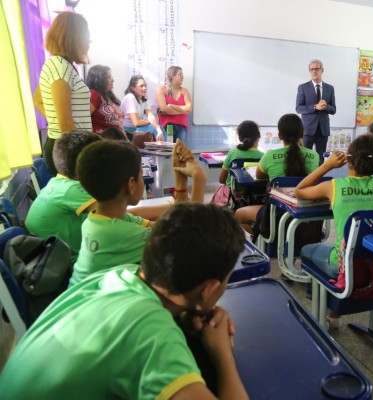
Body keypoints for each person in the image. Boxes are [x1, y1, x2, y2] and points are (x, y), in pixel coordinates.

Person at [0, 204, 249, 400]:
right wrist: (222, 353)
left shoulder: (118, 274)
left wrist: (185, 316)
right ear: (208, 290)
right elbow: (144, 334)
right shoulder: (152, 334)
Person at [70, 139, 206, 286]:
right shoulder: (122, 233)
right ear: (131, 185)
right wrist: (199, 179)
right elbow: (189, 241)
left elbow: (172, 225)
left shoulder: (99, 219)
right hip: (94, 305)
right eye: (141, 176)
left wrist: (180, 177)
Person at [295, 134, 373, 281]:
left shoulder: (334, 186)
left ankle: (317, 293)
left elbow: (299, 191)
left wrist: (327, 165)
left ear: (348, 159)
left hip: (343, 265)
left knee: (306, 250)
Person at [235, 113, 319, 234]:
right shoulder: (314, 156)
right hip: (306, 215)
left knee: (239, 214)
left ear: (279, 136)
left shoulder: (269, 156)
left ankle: (266, 240)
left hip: (275, 215)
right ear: (302, 134)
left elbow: (259, 175)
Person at [25, 131, 101, 263]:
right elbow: (115, 214)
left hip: (49, 258)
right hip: (68, 264)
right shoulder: (71, 190)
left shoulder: (57, 182)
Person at [33, 12, 93, 176]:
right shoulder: (60, 66)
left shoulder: (60, 64)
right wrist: (92, 148)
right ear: (74, 37)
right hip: (69, 149)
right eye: (86, 35)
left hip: (67, 145)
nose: (89, 41)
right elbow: (66, 125)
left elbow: (38, 100)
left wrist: (54, 122)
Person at [213, 120, 264, 205]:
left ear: (240, 138)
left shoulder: (233, 152)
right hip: (255, 196)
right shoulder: (263, 156)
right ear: (258, 136)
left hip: (233, 195)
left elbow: (221, 180)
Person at [296, 59, 336, 163]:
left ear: (322, 70)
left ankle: (319, 179)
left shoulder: (329, 88)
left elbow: (333, 109)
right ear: (309, 71)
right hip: (307, 130)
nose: (314, 71)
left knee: (320, 159)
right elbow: (299, 108)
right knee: (305, 159)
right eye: (311, 69)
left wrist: (326, 106)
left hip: (323, 130)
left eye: (317, 69)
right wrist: (315, 107)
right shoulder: (303, 87)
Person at [121, 75, 163, 141]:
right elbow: (136, 122)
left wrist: (158, 129)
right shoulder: (130, 98)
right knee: (153, 128)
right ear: (133, 88)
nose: (144, 88)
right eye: (141, 86)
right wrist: (150, 121)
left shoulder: (144, 99)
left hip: (137, 130)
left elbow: (150, 116)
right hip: (127, 132)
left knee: (160, 129)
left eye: (145, 85)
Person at [156, 66, 192, 143]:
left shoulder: (185, 91)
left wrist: (172, 106)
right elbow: (164, 109)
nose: (183, 77)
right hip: (168, 126)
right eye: (180, 74)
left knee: (180, 152)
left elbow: (189, 108)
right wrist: (183, 111)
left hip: (182, 127)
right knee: (169, 150)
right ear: (172, 76)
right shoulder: (162, 90)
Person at [85, 65, 124, 134]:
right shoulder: (94, 95)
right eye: (108, 77)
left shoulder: (108, 95)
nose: (113, 80)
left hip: (116, 141)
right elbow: (84, 119)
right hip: (103, 141)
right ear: (99, 80)